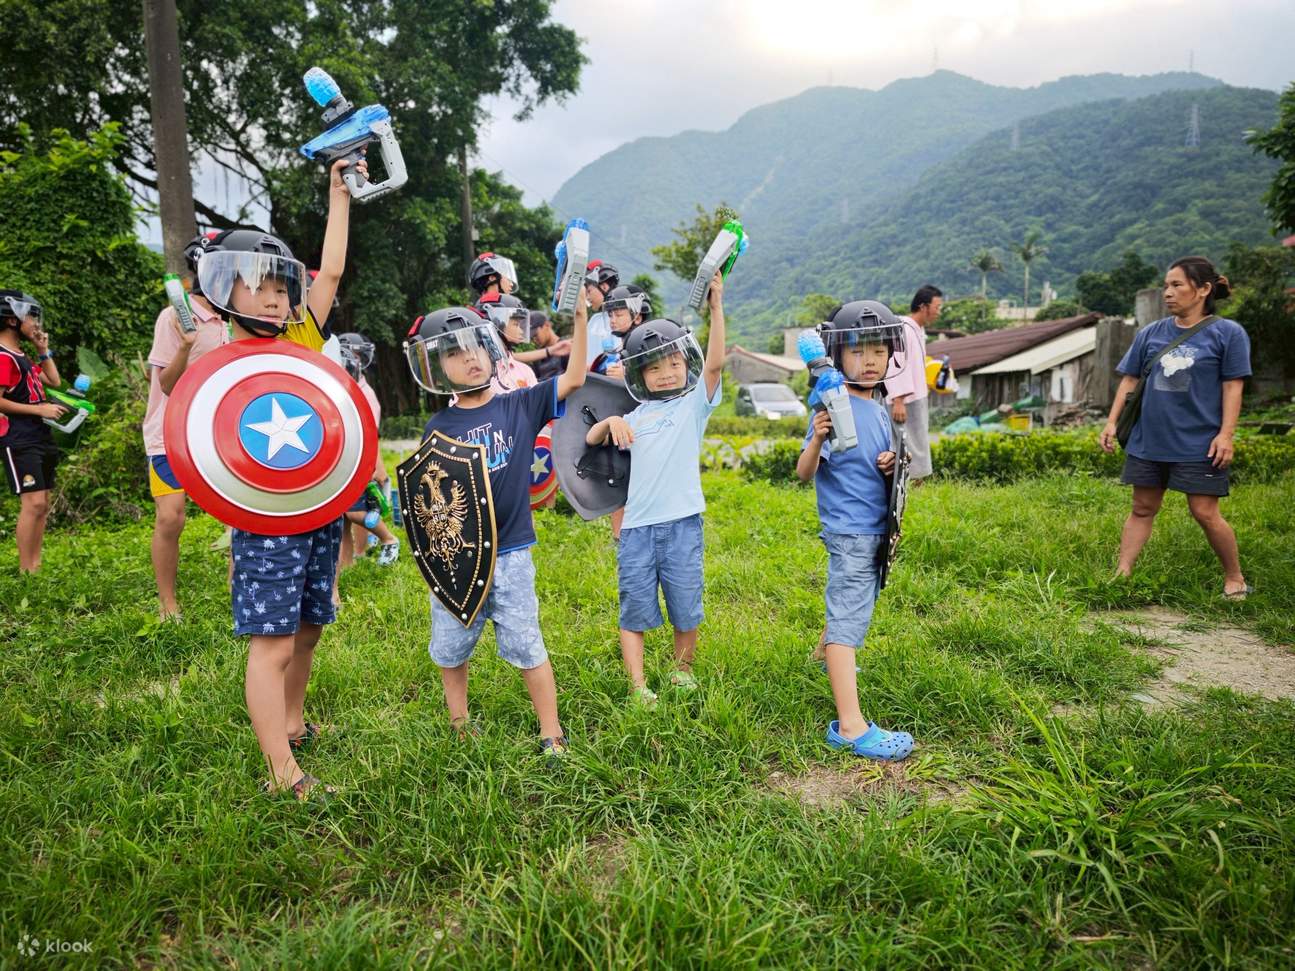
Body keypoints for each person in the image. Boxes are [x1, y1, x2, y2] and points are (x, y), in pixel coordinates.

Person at [196, 157, 362, 801]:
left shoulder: (301, 337)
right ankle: (280, 771)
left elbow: (333, 270)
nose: (273, 296)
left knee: (310, 625)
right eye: (258, 284)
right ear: (225, 288)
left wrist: (338, 195)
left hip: (318, 506)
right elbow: (204, 440)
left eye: (280, 285)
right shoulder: (223, 362)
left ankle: (293, 723)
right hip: (265, 519)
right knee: (271, 642)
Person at [404, 295, 589, 754]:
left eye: (474, 348)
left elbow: (574, 378)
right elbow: (428, 506)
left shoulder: (520, 405)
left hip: (512, 554)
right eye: (454, 352)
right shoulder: (437, 427)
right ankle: (460, 725)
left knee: (529, 644)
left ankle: (551, 731)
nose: (469, 358)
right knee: (451, 647)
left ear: (490, 350)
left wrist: (581, 318)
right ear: (437, 367)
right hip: (458, 560)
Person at [583, 272, 726, 704]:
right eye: (654, 368)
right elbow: (590, 439)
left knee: (685, 603)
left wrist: (716, 307)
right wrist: (610, 422)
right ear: (639, 374)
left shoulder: (693, 406)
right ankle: (638, 685)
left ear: (686, 365)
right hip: (636, 529)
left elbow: (715, 365)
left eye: (674, 364)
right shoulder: (636, 415)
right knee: (635, 608)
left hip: (682, 524)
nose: (666, 374)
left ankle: (683, 671)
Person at [795, 300, 914, 761]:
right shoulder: (833, 404)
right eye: (858, 351)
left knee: (852, 603)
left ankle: (824, 656)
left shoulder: (877, 406)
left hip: (873, 527)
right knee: (848, 619)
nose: (870, 361)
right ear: (837, 355)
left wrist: (890, 463)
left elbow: (884, 465)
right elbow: (804, 472)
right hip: (851, 531)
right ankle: (850, 726)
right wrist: (819, 437)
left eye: (879, 351)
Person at [1100, 256, 1252, 600]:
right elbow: (1130, 380)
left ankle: (1235, 578)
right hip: (1149, 439)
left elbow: (1233, 386)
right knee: (1142, 507)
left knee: (1204, 512)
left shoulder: (1228, 333)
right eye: (1166, 286)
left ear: (1204, 289)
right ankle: (1122, 575)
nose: (1167, 292)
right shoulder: (1151, 333)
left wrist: (1226, 434)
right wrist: (1111, 422)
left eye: (1176, 285)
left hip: (1199, 442)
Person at [144, 232, 228, 618]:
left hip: (213, 435)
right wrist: (185, 345)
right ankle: (168, 603)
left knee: (240, 512)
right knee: (170, 517)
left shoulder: (231, 320)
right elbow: (165, 384)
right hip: (169, 434)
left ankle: (238, 587)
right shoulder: (173, 317)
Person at [0, 291, 65, 572]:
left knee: (42, 503)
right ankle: (27, 570)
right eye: (31, 316)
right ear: (11, 319)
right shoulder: (3, 356)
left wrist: (42, 350)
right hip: (18, 438)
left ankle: (35, 566)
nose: (36, 323)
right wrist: (40, 410)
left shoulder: (20, 355)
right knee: (33, 503)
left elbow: (54, 380)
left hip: (39, 436)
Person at [336, 333, 399, 570]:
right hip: (342, 462)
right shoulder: (344, 387)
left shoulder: (365, 393)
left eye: (358, 356)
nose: (355, 360)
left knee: (356, 512)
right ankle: (349, 562)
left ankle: (387, 539)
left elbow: (371, 435)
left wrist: (377, 467)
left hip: (359, 461)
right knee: (342, 517)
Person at [884, 284, 941, 482]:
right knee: (907, 444)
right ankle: (907, 487)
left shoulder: (917, 330)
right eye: (937, 307)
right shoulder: (904, 329)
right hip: (904, 400)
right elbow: (896, 363)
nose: (938, 312)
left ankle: (915, 486)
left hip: (916, 397)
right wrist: (898, 400)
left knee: (917, 442)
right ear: (923, 307)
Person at [591, 284, 651, 380]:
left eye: (618, 315)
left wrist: (630, 377)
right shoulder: (611, 353)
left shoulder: (648, 352)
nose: (612, 320)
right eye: (610, 315)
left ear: (638, 318)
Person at [582, 260, 618, 366]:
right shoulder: (595, 319)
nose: (587, 297)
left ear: (604, 287)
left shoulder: (618, 321)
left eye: (589, 291)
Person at [528, 310, 569, 382]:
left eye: (535, 335)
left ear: (547, 325)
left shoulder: (566, 348)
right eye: (531, 338)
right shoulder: (537, 356)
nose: (534, 340)